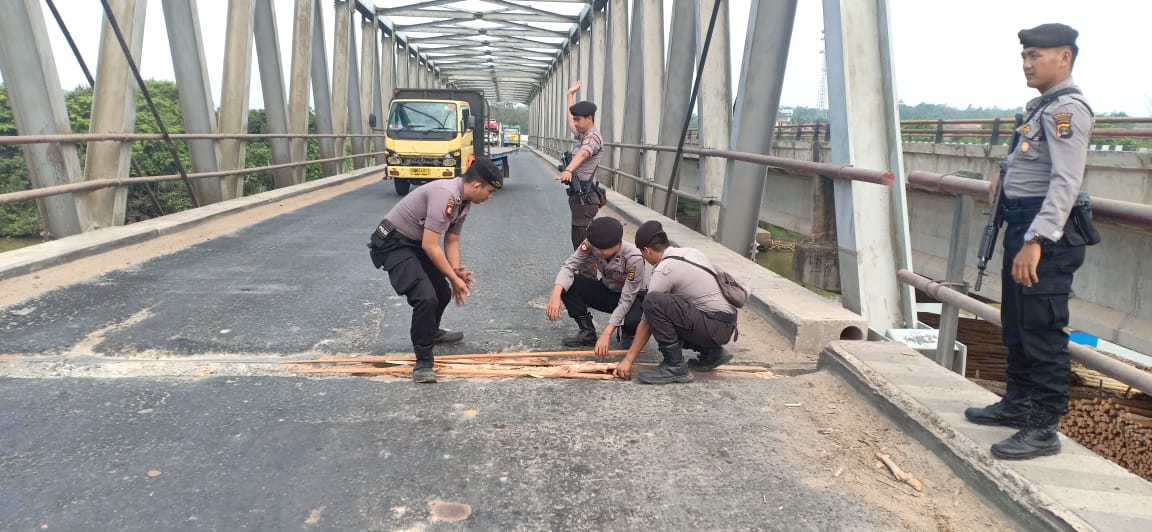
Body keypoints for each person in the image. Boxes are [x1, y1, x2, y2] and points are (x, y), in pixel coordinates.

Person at [963, 23, 1097, 460]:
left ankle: (1043, 427)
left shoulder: (1067, 111)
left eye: (1035, 56)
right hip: (1021, 225)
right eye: (1024, 56)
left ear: (1064, 57)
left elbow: (1065, 180)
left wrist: (1037, 239)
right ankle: (1018, 405)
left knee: (1042, 329)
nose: (1026, 64)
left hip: (1045, 236)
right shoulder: (1042, 108)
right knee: (1018, 324)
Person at [367, 158, 504, 383]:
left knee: (441, 291)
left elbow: (452, 239)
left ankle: (431, 331)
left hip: (416, 243)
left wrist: (456, 272)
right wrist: (453, 278)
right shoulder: (446, 194)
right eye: (489, 191)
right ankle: (423, 361)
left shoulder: (464, 201)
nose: (490, 197)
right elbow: (430, 245)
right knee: (425, 298)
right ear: (477, 186)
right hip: (394, 244)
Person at [615, 221, 737, 384]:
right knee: (672, 304)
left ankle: (675, 366)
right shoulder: (690, 252)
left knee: (653, 302)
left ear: (646, 250)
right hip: (725, 324)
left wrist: (628, 360)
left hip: (714, 326)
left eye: (642, 253)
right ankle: (712, 352)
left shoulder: (664, 270)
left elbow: (646, 322)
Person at [546, 217, 646, 356]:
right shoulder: (591, 244)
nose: (598, 251)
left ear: (618, 243)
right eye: (596, 247)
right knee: (568, 284)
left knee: (635, 318)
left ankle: (629, 332)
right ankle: (587, 332)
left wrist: (606, 333)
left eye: (603, 249)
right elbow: (569, 266)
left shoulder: (634, 258)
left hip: (631, 297)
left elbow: (627, 299)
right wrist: (556, 294)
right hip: (607, 290)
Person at [555, 80, 605, 250]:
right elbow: (570, 121)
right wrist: (570, 95)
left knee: (583, 244)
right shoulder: (584, 134)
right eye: (575, 119)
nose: (575, 123)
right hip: (580, 197)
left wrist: (569, 169)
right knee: (578, 241)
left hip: (586, 198)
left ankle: (587, 276)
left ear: (589, 118)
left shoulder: (593, 137)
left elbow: (584, 153)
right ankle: (584, 274)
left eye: (578, 120)